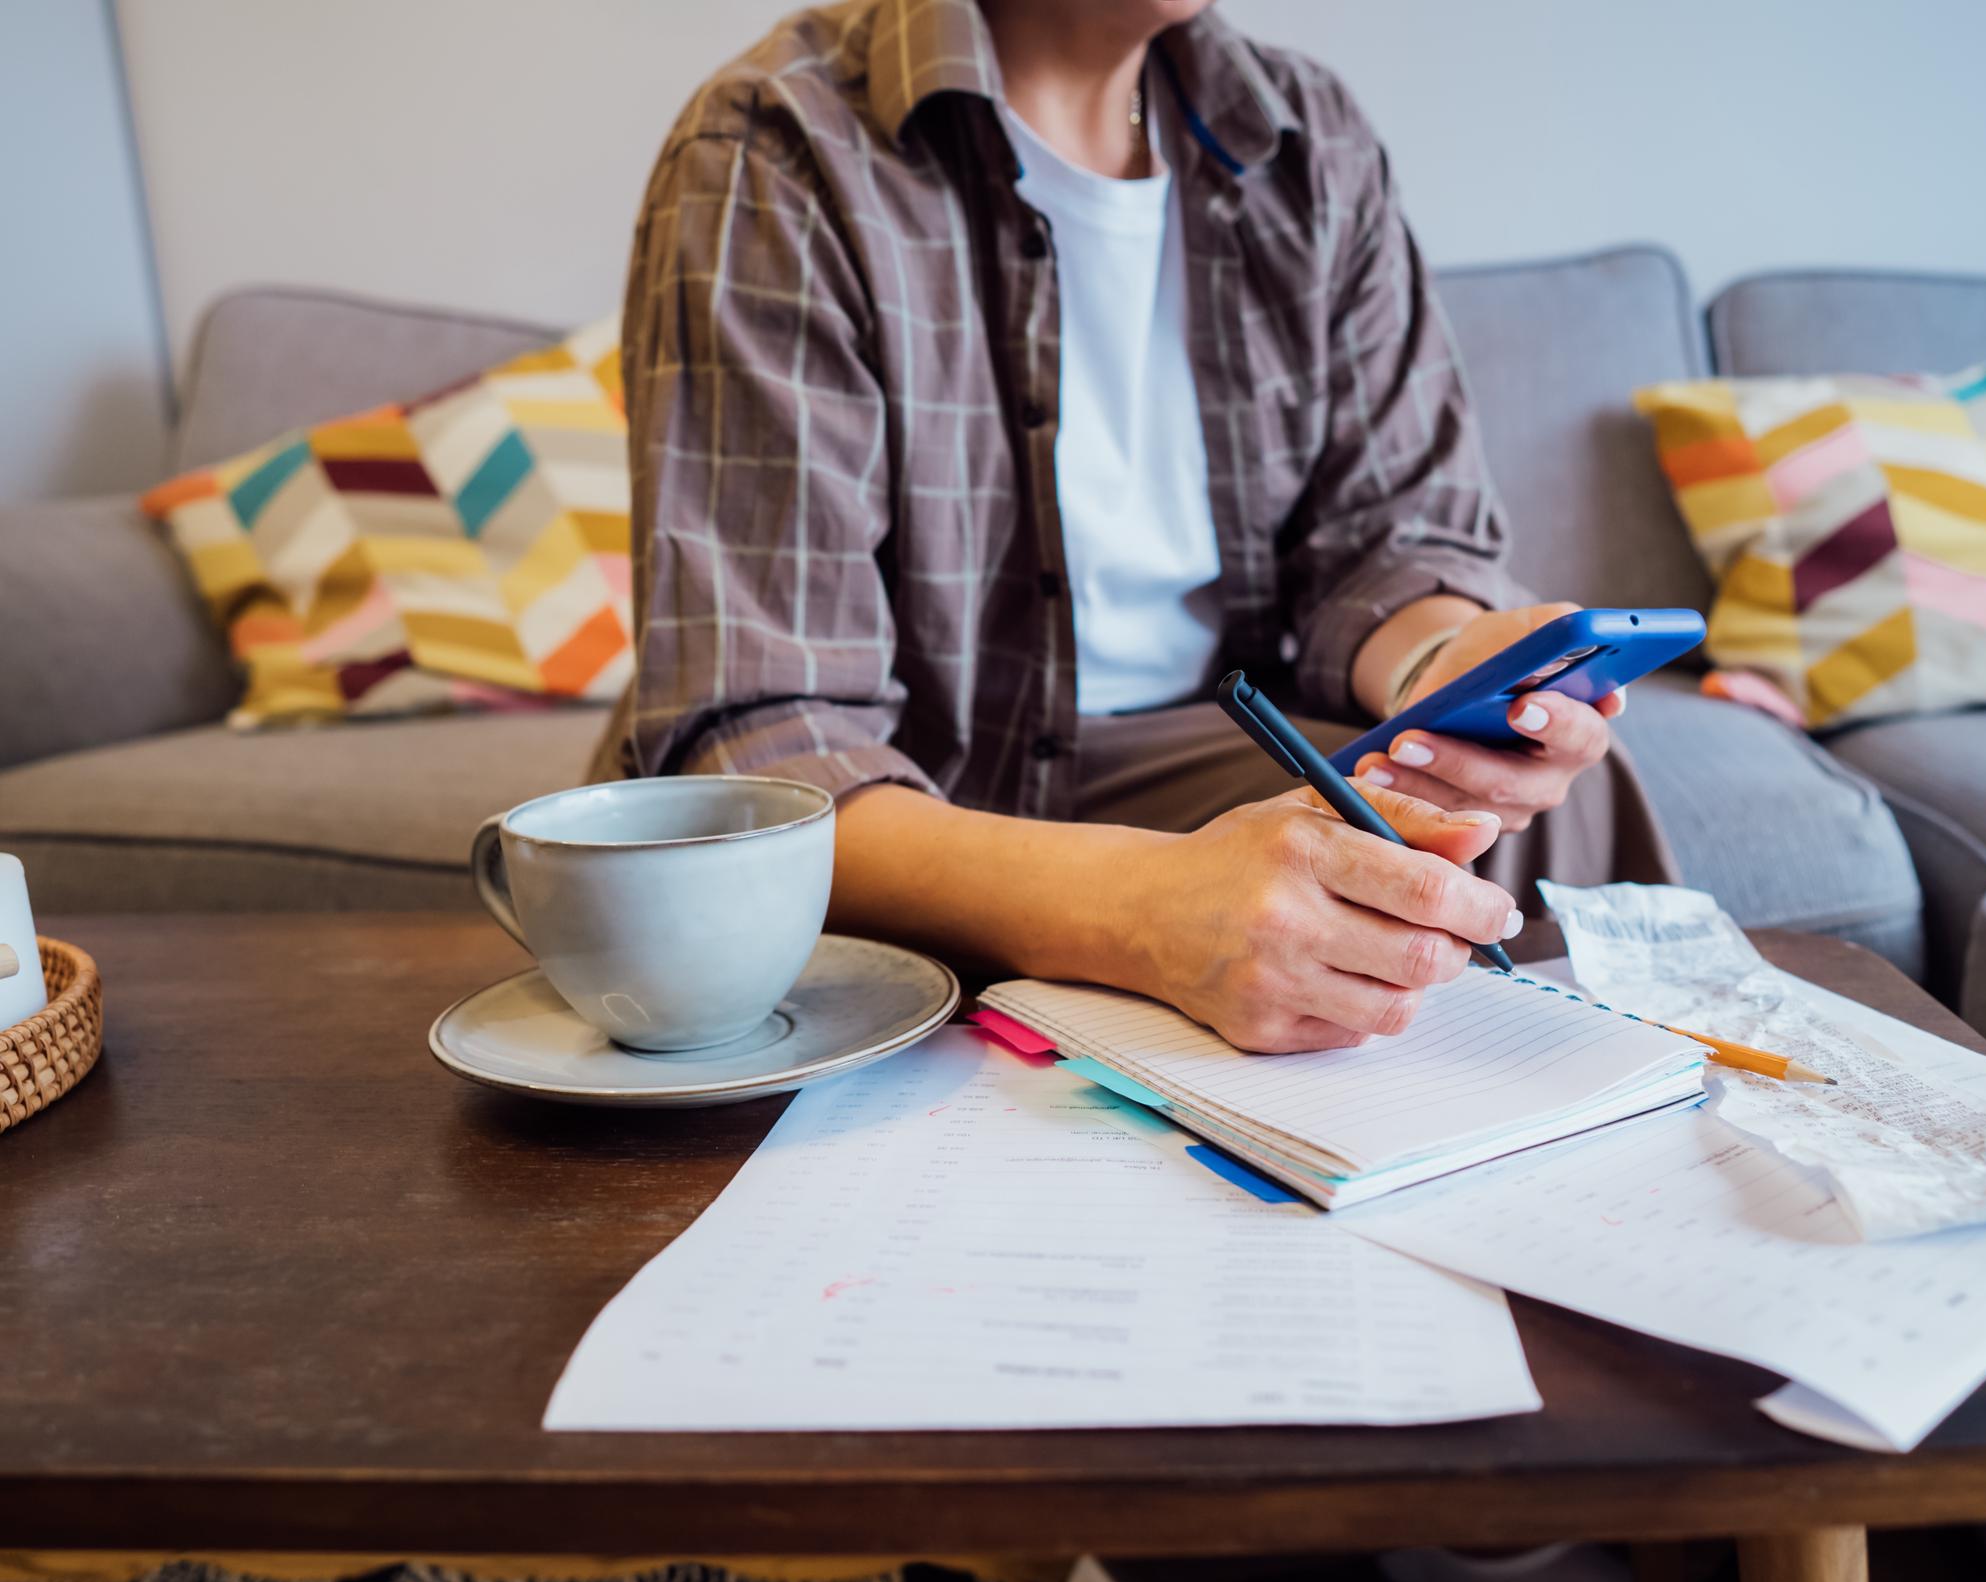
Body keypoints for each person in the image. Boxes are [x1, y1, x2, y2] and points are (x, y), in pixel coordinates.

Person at [594, 0, 1675, 1052]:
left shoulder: (1310, 140)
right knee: (1343, 883)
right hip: (912, 795)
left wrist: (1451, 664)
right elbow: (767, 753)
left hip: (1188, 744)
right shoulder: (778, 149)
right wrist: (1148, 906)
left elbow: (1391, 544)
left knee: (1492, 811)